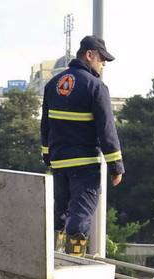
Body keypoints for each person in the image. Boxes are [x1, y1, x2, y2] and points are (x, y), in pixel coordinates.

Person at [41, 35, 124, 256]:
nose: (103, 64)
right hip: (85, 164)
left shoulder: (52, 85)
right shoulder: (96, 87)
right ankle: (73, 262)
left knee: (60, 211)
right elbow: (106, 130)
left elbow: (45, 125)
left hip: (59, 161)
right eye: (102, 59)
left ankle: (52, 259)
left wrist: (47, 156)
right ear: (89, 55)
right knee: (80, 213)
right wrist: (116, 166)